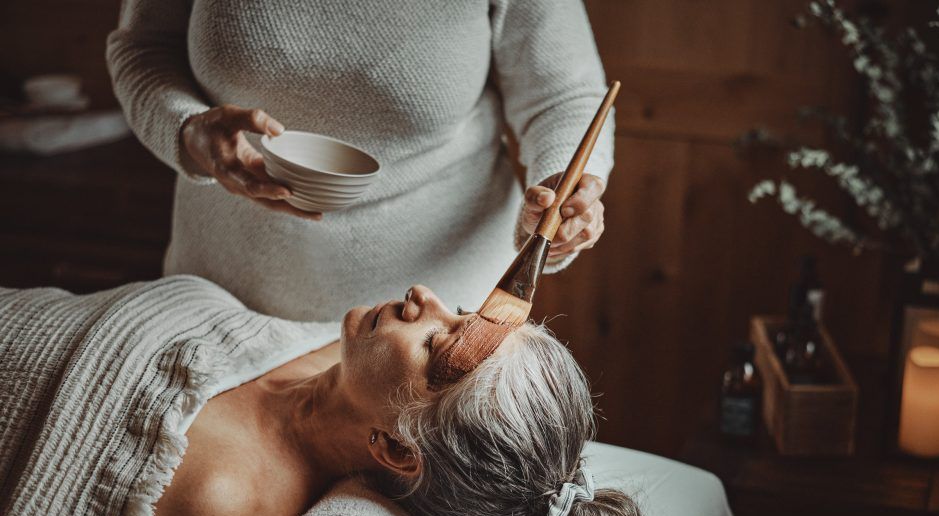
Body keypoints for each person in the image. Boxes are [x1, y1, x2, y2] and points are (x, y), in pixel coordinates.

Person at [107, 1, 614, 320]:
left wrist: (561, 195)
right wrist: (186, 129)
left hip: (437, 316)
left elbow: (563, 96)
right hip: (220, 300)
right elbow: (143, 48)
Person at [133, 284, 641, 516]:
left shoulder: (214, 501)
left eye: (431, 342)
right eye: (460, 311)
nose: (422, 296)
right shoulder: (338, 351)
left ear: (397, 450)